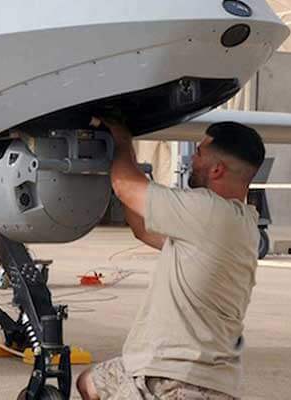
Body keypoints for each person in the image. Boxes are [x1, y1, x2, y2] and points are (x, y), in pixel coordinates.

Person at [77, 118, 266, 400]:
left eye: (199, 153)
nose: (192, 158)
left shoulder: (208, 211)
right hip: (156, 365)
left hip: (179, 381)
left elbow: (125, 185)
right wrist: (131, 167)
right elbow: (143, 229)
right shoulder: (240, 222)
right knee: (88, 383)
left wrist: (121, 138)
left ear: (217, 169)